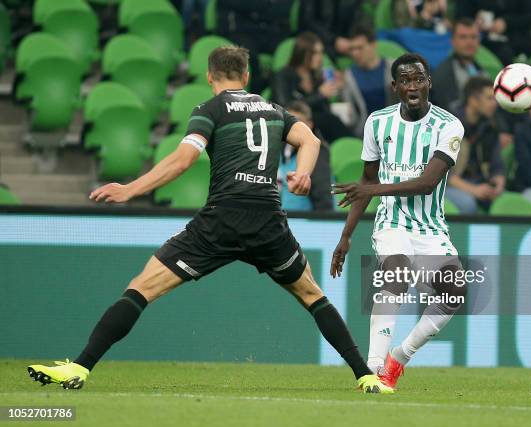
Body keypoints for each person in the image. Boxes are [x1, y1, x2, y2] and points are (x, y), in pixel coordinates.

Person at [26, 47, 392, 394]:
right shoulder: (274, 109)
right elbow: (310, 140)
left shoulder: (211, 109)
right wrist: (302, 173)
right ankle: (365, 377)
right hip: (267, 220)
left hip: (222, 218)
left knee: (142, 288)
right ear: (246, 75)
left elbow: (184, 159)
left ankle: (80, 367)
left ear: (209, 76)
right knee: (313, 296)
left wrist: (131, 188)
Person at [330, 53, 466, 389]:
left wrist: (373, 188)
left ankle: (398, 358)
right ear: (395, 87)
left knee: (455, 292)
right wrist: (345, 236)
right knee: (397, 270)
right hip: (392, 222)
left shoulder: (449, 126)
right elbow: (365, 181)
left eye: (419, 79)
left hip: (431, 227)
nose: (413, 86)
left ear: (429, 82)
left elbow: (427, 182)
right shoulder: (377, 123)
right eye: (405, 80)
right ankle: (373, 370)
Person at [272, 31, 352, 143]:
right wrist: (320, 95)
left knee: (336, 119)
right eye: (315, 53)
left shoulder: (316, 76)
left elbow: (324, 108)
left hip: (316, 126)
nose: (320, 58)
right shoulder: (282, 76)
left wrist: (338, 89)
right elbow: (286, 107)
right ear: (302, 53)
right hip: (292, 124)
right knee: (330, 120)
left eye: (321, 53)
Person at [446, 77, 505, 214]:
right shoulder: (448, 125)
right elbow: (443, 174)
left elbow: (497, 165)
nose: (494, 104)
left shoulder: (490, 127)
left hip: (479, 183)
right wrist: (473, 190)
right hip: (446, 186)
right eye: (489, 98)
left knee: (505, 203)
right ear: (473, 100)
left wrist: (498, 182)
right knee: (468, 204)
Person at [343, 23, 397, 136]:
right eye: (352, 49)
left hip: (394, 131)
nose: (355, 53)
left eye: (359, 48)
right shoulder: (349, 76)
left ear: (373, 45)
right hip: (364, 135)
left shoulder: (393, 68)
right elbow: (350, 114)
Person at [279, 101, 334, 211]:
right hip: (284, 219)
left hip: (306, 222)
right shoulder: (280, 147)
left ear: (309, 124)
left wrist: (324, 223)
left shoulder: (317, 153)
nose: (293, 129)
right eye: (289, 124)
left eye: (298, 123)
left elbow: (322, 194)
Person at [454, 0, 531, 65]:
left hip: (519, 37)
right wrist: (476, 24)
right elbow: (461, 18)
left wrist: (506, 22)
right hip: (485, 41)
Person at [430, 18, 488, 113]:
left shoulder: (483, 72)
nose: (469, 42)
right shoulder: (442, 74)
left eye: (473, 37)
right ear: (452, 41)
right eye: (463, 37)